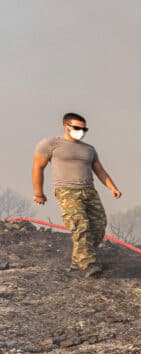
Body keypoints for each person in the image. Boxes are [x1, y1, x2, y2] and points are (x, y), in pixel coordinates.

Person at [32, 113, 122, 277]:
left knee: (98, 225)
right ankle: (88, 264)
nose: (80, 131)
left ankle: (77, 260)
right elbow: (38, 166)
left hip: (89, 191)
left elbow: (99, 170)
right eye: (77, 128)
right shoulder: (51, 144)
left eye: (84, 128)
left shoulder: (89, 149)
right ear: (65, 125)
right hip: (66, 191)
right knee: (80, 224)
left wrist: (112, 187)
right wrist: (39, 193)